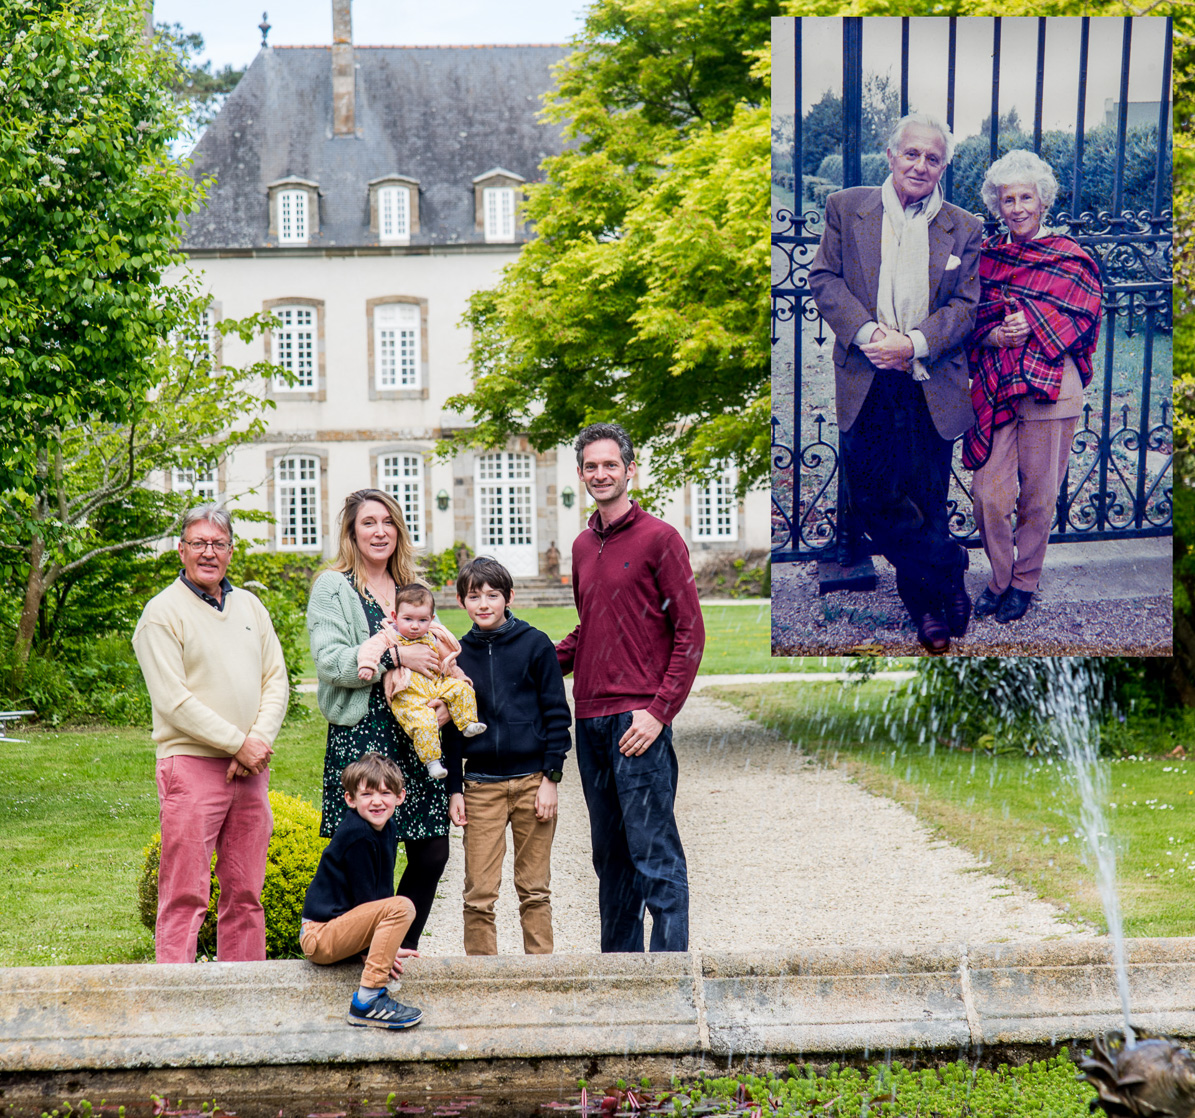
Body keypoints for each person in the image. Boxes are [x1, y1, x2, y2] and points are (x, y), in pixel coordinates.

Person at [809, 112, 984, 654]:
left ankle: (926, 611)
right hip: (868, 375)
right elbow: (825, 279)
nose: (920, 165)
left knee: (927, 498)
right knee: (872, 498)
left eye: (933, 158)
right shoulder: (847, 208)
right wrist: (868, 334)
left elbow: (965, 306)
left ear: (943, 167)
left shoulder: (964, 226)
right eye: (912, 154)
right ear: (891, 155)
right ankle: (950, 564)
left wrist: (912, 344)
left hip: (928, 378)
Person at [556, 422, 704, 953]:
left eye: (610, 464)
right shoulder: (579, 546)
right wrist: (521, 661)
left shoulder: (660, 540)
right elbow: (588, 630)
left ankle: (669, 977)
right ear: (580, 475)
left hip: (638, 722)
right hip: (590, 721)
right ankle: (620, 976)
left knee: (653, 852)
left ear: (630, 469)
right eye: (591, 467)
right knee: (610, 859)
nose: (601, 474)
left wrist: (659, 712)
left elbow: (691, 633)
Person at [132, 505, 288, 963]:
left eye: (218, 544)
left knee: (245, 894)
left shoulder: (250, 607)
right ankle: (175, 998)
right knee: (184, 894)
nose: (208, 552)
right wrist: (238, 743)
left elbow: (275, 680)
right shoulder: (161, 614)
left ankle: (245, 998)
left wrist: (254, 743)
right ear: (181, 550)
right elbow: (173, 702)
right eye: (198, 543)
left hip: (249, 769)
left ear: (231, 552)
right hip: (191, 766)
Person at [306, 488, 450, 951]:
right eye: (368, 522)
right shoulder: (335, 586)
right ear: (352, 530)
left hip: (416, 735)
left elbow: (440, 651)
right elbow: (330, 662)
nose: (379, 531)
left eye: (388, 522)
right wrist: (393, 656)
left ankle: (398, 948)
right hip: (365, 734)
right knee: (372, 852)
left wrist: (448, 696)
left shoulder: (412, 586)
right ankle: (367, 960)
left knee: (432, 848)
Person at [963, 150, 1103, 625]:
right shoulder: (988, 257)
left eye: (1026, 197)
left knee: (1039, 498)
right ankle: (1000, 577)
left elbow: (1084, 317)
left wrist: (1035, 321)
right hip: (998, 386)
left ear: (1043, 201)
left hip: (1052, 388)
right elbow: (970, 319)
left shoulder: (1070, 257)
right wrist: (995, 333)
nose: (1018, 207)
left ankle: (1024, 582)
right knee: (989, 495)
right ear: (996, 207)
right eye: (1008, 200)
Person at [445, 556, 572, 955]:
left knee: (534, 890)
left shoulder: (535, 645)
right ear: (462, 601)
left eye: (492, 595)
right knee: (479, 894)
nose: (484, 604)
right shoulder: (456, 656)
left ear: (508, 597)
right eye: (474, 596)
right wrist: (454, 789)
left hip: (533, 782)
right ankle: (483, 981)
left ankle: (540, 974)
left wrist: (551, 778)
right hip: (481, 785)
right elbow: (450, 729)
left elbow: (556, 715)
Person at [300, 753, 423, 1030]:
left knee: (396, 903)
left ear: (400, 797)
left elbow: (379, 895)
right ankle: (367, 1000)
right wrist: (377, 954)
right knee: (402, 906)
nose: (377, 801)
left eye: (385, 793)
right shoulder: (357, 834)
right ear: (350, 800)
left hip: (341, 929)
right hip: (320, 934)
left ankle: (370, 997)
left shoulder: (385, 828)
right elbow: (366, 900)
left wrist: (384, 946)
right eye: (366, 794)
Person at [357, 584, 486, 779]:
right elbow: (370, 648)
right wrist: (367, 664)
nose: (415, 626)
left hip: (435, 687)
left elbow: (448, 664)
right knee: (424, 722)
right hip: (408, 695)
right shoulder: (390, 635)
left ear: (431, 619)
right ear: (394, 616)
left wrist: (461, 679)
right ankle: (432, 762)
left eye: (422, 620)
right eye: (408, 619)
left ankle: (467, 723)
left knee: (462, 688)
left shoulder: (433, 637)